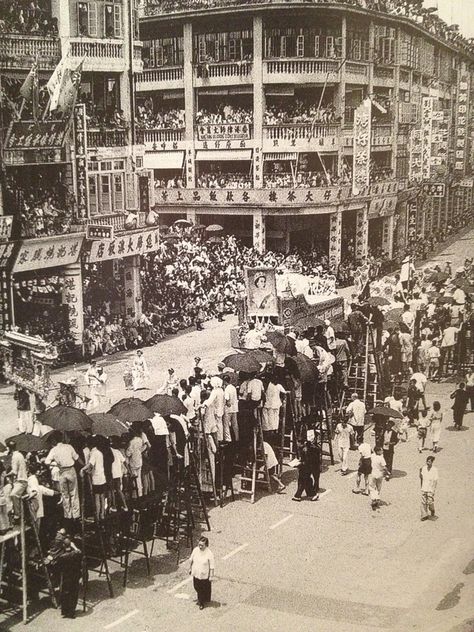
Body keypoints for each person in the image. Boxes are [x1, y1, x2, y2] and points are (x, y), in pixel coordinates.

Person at [44, 433, 82, 521]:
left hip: (62, 472)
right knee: (74, 494)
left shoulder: (54, 450)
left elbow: (46, 462)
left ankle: (68, 516)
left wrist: (56, 464)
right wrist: (84, 465)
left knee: (65, 495)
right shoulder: (69, 447)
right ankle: (75, 516)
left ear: (54, 440)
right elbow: (77, 458)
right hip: (71, 471)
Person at [189, 536, 215, 609]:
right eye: (199, 545)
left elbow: (212, 566)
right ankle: (202, 598)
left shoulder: (209, 553)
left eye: (202, 545)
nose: (200, 547)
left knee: (202, 589)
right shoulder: (195, 550)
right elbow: (191, 560)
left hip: (204, 575)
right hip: (196, 573)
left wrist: (211, 576)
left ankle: (201, 602)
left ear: (206, 545)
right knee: (196, 587)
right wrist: (190, 568)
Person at [6, 440, 28, 523]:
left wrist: (5, 475)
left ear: (9, 448)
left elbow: (14, 472)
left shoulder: (15, 457)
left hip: (21, 481)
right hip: (20, 480)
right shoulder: (19, 454)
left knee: (13, 494)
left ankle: (17, 515)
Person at [420, 456, 438, 521]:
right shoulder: (423, 468)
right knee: (423, 502)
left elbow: (435, 480)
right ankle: (424, 515)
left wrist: (433, 490)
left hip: (430, 488)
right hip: (424, 487)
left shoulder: (435, 470)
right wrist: (421, 487)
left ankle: (432, 510)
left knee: (430, 501)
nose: (428, 463)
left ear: (432, 462)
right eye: (427, 461)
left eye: (429, 462)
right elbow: (421, 478)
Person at [369, 446, 387, 511]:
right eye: (381, 450)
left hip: (373, 473)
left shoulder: (372, 456)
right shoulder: (381, 458)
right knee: (378, 487)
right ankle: (377, 497)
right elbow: (384, 467)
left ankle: (374, 498)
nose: (382, 451)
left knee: (371, 487)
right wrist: (387, 473)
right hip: (380, 474)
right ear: (378, 451)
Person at [223, 374, 239, 442]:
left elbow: (227, 400)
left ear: (224, 381)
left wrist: (226, 403)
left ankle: (228, 439)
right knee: (235, 424)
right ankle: (237, 437)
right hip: (234, 408)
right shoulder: (233, 387)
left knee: (226, 424)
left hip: (228, 409)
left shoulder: (226, 389)